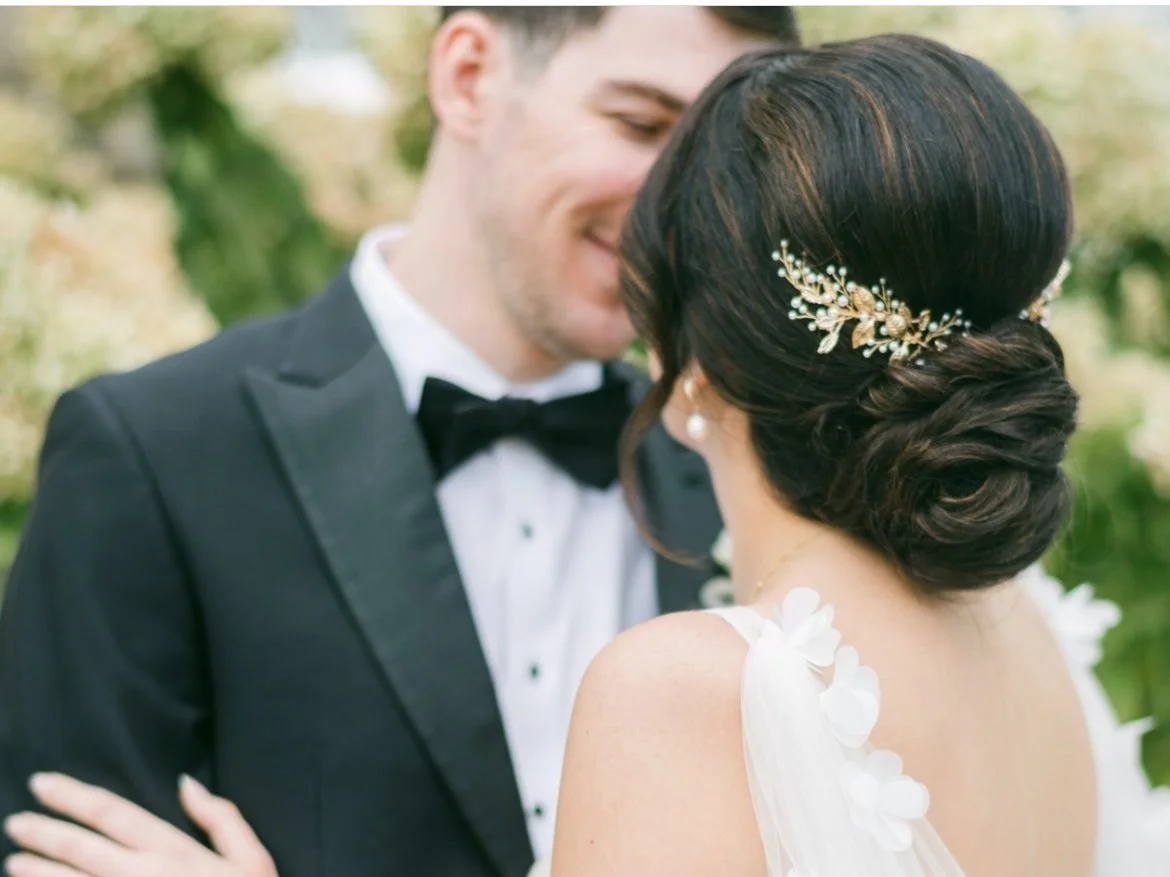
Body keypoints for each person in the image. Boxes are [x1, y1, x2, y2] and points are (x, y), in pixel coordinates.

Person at [10, 29, 1170, 877]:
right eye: (641, 122)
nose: (670, 194)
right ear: (466, 73)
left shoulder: (692, 674)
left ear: (697, 364)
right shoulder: (1038, 644)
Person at [0, 8, 800, 877]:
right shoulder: (151, 453)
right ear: (468, 76)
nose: (685, 210)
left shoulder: (758, 472)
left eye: (726, 163)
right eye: (641, 124)